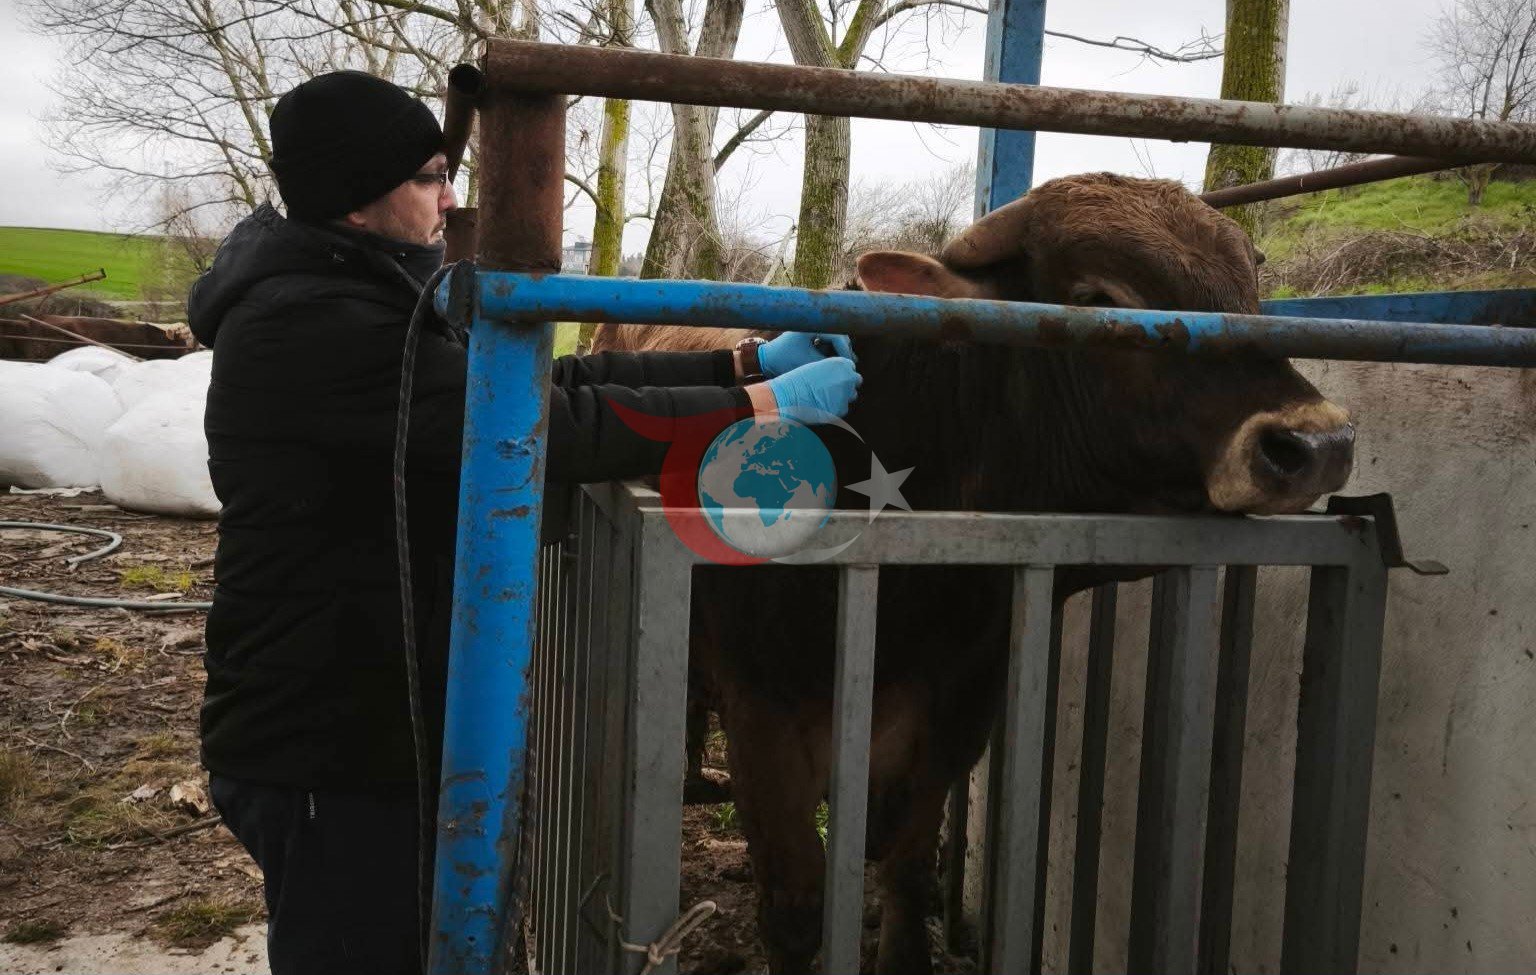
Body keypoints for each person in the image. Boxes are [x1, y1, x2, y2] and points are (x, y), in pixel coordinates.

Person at [186, 70, 861, 975]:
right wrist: (760, 410)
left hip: (361, 715)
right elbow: (548, 423)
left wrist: (741, 364)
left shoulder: (361, 292)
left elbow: (549, 381)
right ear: (355, 196)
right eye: (430, 176)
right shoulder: (315, 326)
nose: (450, 198)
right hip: (330, 744)